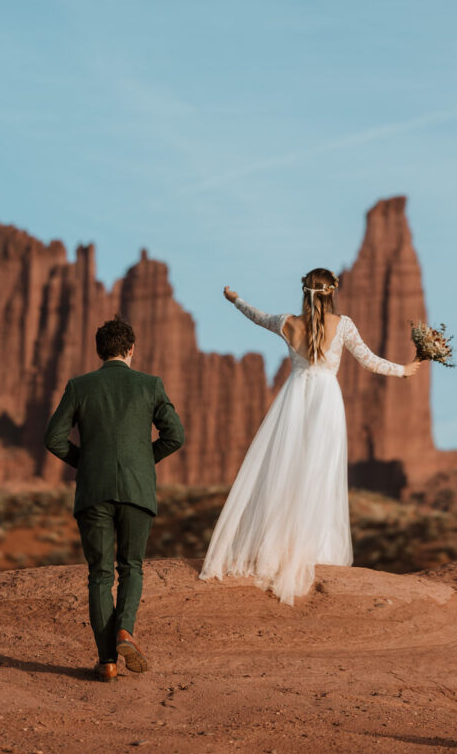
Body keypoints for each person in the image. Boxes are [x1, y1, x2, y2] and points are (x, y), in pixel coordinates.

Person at [199, 268, 420, 605]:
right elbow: (369, 361)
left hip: (294, 401)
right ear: (332, 293)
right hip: (326, 403)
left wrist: (234, 299)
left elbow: (255, 315)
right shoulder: (343, 324)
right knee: (320, 475)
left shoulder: (286, 322)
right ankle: (315, 549)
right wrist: (404, 370)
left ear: (304, 292)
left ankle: (275, 551)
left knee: (285, 474)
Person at [44, 314, 185, 681]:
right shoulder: (150, 385)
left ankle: (107, 661)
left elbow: (54, 439)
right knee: (132, 567)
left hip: (94, 491)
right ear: (131, 349)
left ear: (99, 351)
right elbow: (175, 436)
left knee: (100, 575)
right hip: (137, 491)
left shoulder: (79, 386)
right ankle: (125, 630)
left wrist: (88, 464)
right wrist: (141, 463)